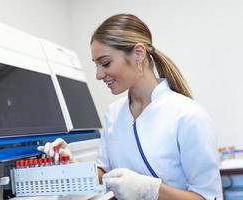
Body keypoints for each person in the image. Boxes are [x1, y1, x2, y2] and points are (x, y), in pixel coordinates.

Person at [38, 14, 223, 200]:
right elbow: (105, 175)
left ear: (138, 53)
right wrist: (72, 166)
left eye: (105, 63)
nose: (99, 75)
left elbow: (207, 197)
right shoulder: (114, 113)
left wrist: (152, 190)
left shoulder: (188, 115)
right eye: (96, 65)